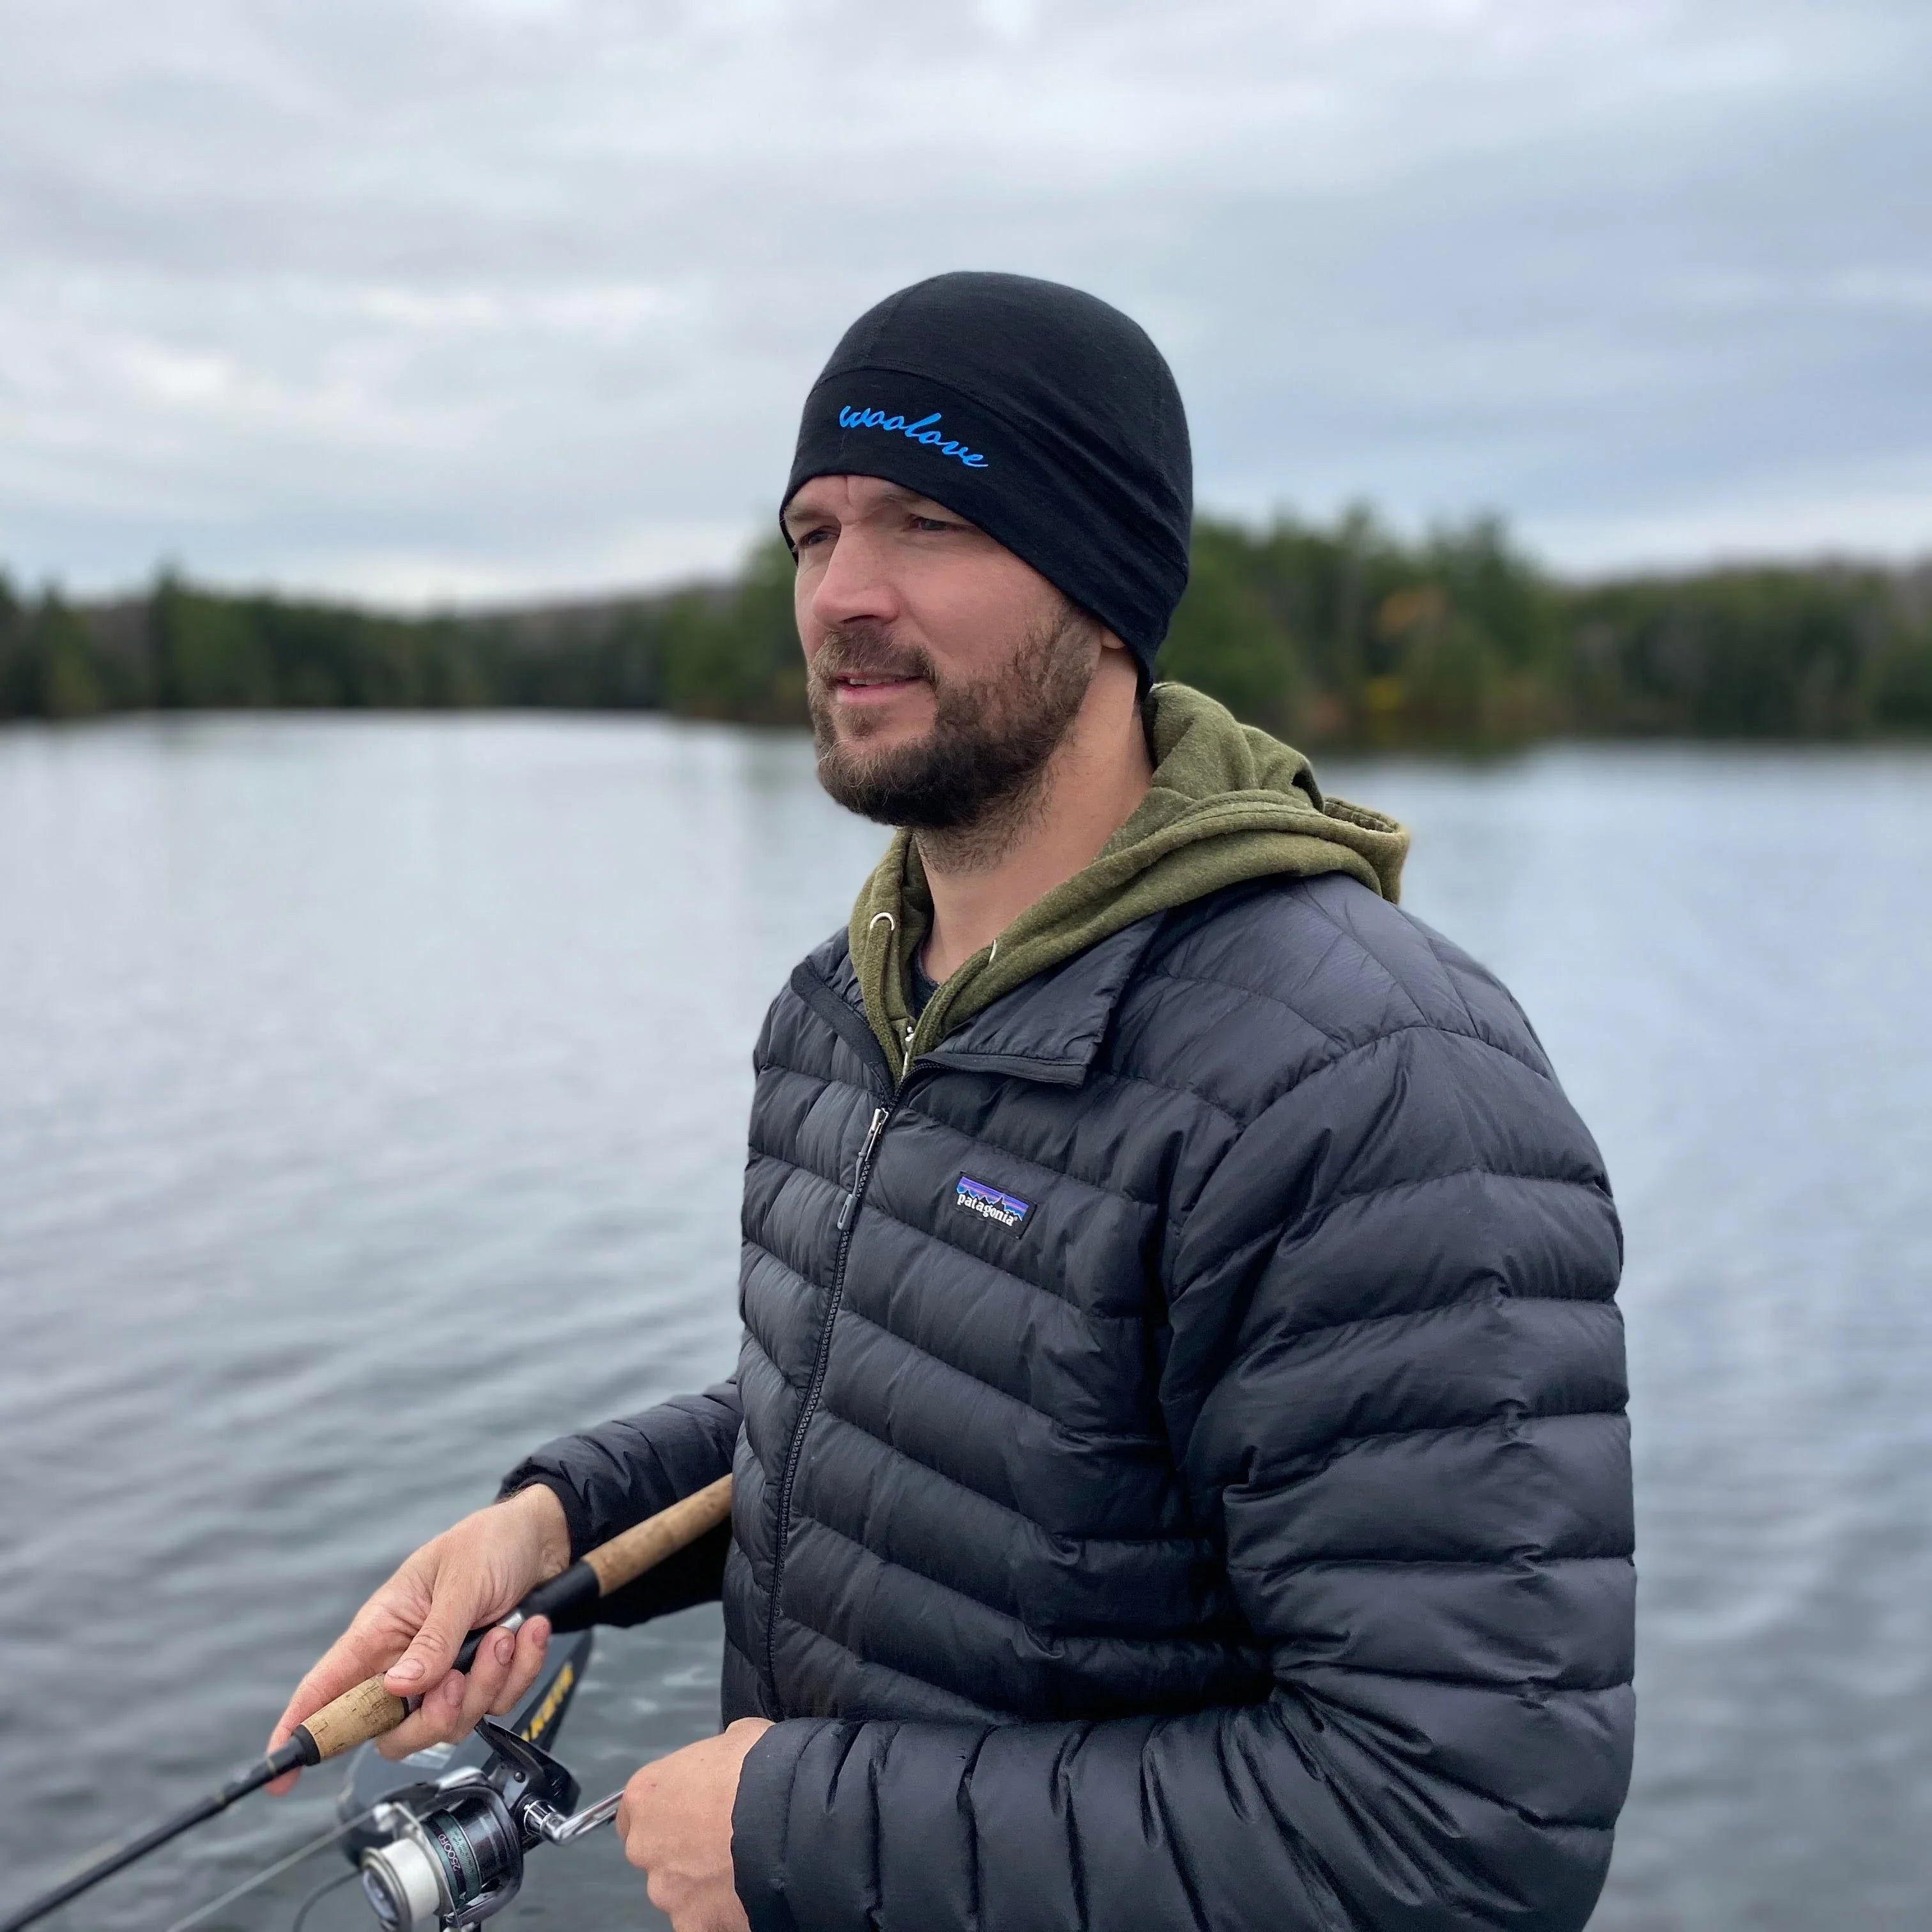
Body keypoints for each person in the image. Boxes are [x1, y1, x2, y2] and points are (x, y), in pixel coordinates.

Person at [273, 272, 1634, 1932]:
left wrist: (802, 1837)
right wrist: (555, 1528)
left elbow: (1464, 1836)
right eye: (813, 533)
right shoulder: (839, 1015)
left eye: (929, 521)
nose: (841, 595)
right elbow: (918, 1412)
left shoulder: (1373, 1084)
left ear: (1104, 584)